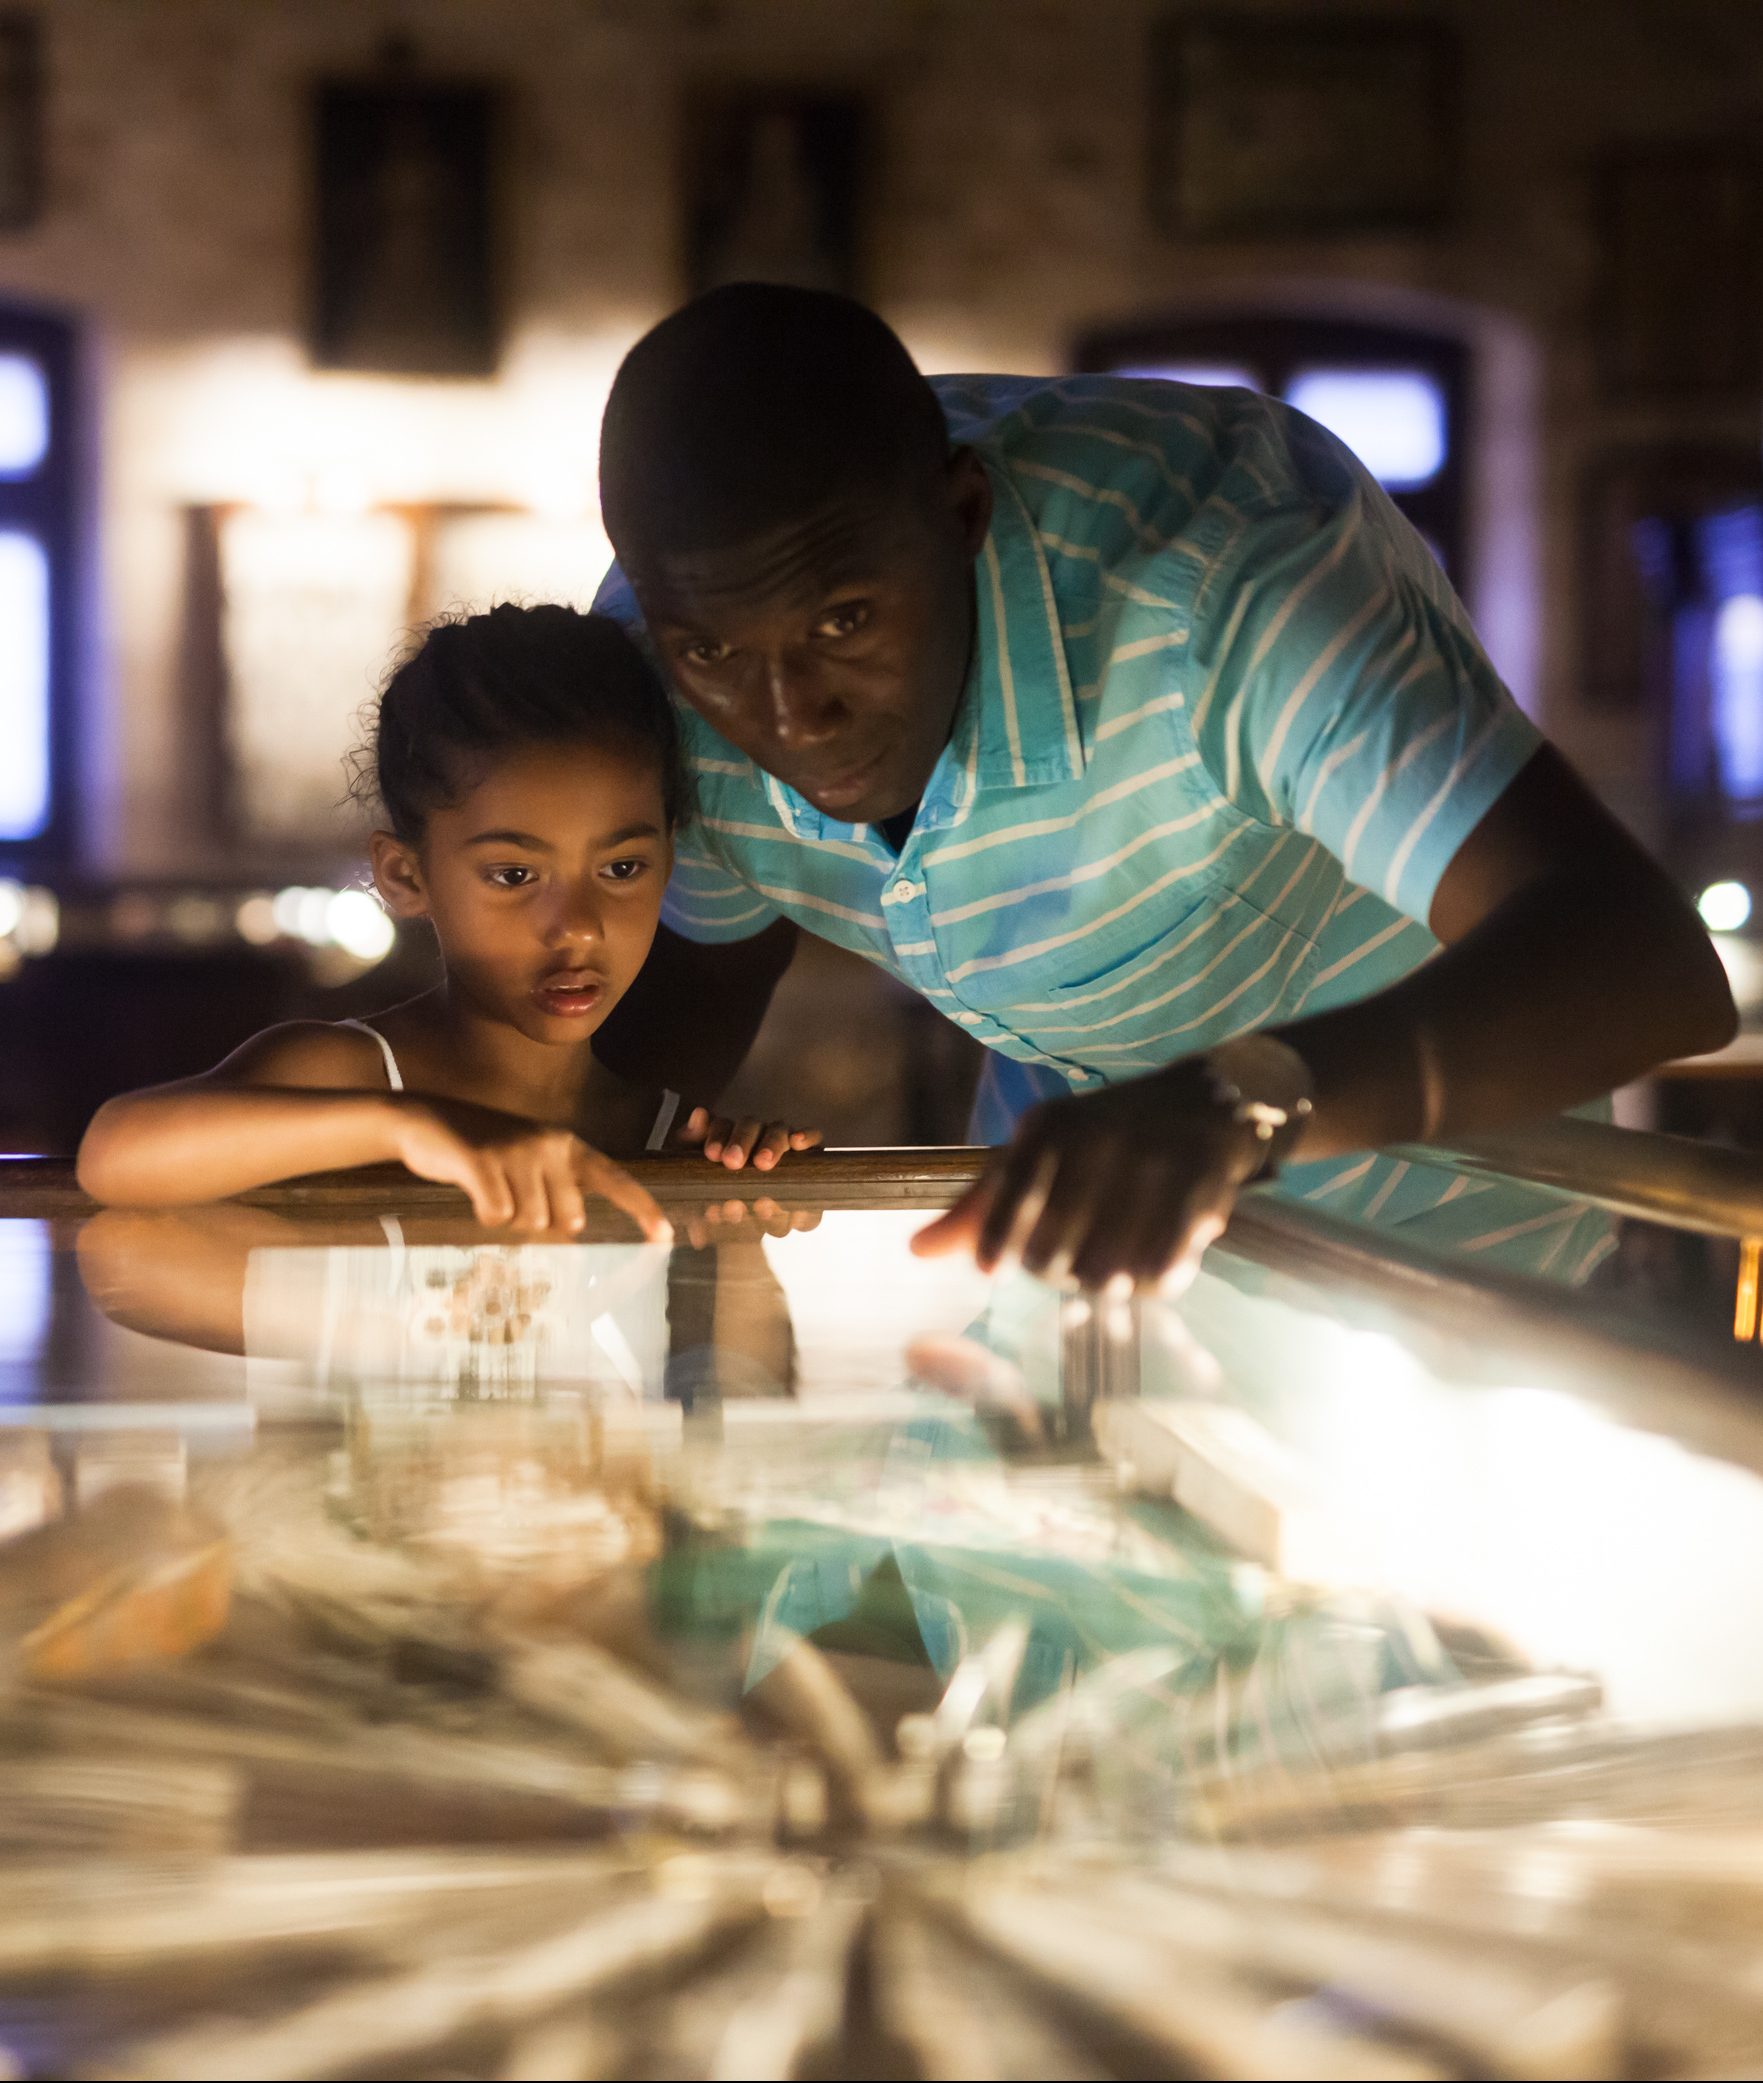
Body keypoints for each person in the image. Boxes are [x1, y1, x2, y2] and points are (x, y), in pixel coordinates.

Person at [590, 284, 1736, 1289]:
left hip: (1432, 1276)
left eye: (843, 622)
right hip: (1089, 1259)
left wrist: (1241, 1101)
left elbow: (1642, 965)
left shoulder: (1228, 582)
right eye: (718, 657)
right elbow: (701, 959)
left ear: (960, 516)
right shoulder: (673, 635)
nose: (788, 715)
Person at [77, 604, 821, 1231]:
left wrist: (741, 1232)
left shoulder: (662, 1133)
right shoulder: (354, 1076)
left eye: (621, 868)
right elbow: (113, 1155)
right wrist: (414, 1126)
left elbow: (714, 1390)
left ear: (670, 856)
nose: (579, 927)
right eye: (513, 874)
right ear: (406, 874)